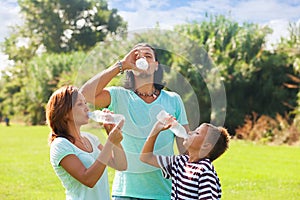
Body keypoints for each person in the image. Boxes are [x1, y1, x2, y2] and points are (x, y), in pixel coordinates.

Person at [80, 43, 190, 199]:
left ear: (156, 66)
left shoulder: (174, 100)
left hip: (164, 193)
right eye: (137, 57)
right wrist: (121, 65)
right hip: (125, 193)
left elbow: (185, 148)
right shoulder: (118, 96)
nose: (142, 59)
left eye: (148, 56)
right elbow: (84, 95)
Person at [46, 85, 127, 200]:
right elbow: (89, 179)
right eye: (80, 104)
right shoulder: (60, 145)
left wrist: (112, 136)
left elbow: (121, 165)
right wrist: (109, 143)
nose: (87, 108)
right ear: (64, 113)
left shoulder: (91, 139)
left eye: (85, 103)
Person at [140, 116, 230, 200]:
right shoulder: (179, 162)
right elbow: (145, 157)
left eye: (197, 133)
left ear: (205, 146)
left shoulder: (205, 172)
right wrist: (156, 130)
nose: (190, 132)